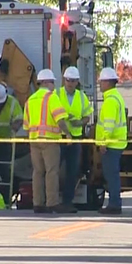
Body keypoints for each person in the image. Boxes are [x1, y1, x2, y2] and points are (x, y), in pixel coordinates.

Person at [23, 69, 72, 214]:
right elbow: (60, 119)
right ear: (46, 82)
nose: (54, 85)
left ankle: (37, 203)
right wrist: (67, 134)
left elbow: (26, 124)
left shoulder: (30, 99)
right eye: (52, 82)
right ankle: (52, 203)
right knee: (51, 171)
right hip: (50, 140)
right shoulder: (52, 98)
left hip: (34, 140)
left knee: (37, 172)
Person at [57, 66, 90, 210]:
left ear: (77, 82)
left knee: (72, 171)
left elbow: (87, 116)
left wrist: (80, 122)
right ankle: (51, 200)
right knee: (53, 170)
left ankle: (67, 201)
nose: (70, 83)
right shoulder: (57, 94)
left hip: (75, 138)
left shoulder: (82, 97)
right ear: (64, 80)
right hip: (59, 137)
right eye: (68, 80)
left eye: (73, 81)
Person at [95, 67, 127, 215]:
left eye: (101, 81)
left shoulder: (110, 101)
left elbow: (109, 124)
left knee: (111, 175)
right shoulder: (116, 97)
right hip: (117, 143)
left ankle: (114, 204)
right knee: (112, 175)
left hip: (111, 144)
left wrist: (103, 143)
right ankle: (114, 203)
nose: (100, 84)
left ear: (108, 82)